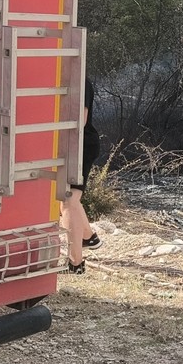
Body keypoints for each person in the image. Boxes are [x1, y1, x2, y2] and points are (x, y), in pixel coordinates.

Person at [62, 77, 102, 274]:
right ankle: (88, 237)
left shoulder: (80, 80)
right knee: (70, 201)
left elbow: (81, 120)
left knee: (68, 201)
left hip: (81, 145)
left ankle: (75, 264)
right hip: (71, 143)